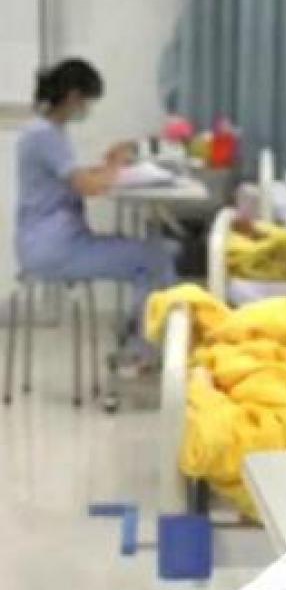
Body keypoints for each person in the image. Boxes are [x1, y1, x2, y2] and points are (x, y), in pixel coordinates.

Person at [16, 58, 174, 365]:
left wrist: (108, 166)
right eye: (87, 102)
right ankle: (140, 351)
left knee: (156, 254)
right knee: (155, 259)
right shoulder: (45, 135)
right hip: (54, 248)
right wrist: (116, 164)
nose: (86, 109)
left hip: (51, 242)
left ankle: (139, 339)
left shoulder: (44, 131)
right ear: (73, 96)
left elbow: (72, 177)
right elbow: (86, 186)